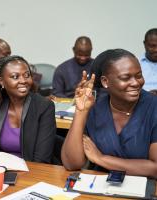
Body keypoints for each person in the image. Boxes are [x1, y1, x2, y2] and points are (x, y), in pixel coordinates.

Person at [61, 49, 157, 178]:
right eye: (125, 78)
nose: (135, 83)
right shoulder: (96, 108)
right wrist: (81, 112)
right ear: (105, 82)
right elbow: (71, 164)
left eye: (139, 76)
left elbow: (154, 169)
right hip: (99, 187)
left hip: (144, 189)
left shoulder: (153, 107)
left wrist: (101, 159)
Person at [139, 28, 157, 95]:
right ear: (145, 44)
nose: (156, 50)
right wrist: (145, 95)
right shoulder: (135, 64)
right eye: (152, 46)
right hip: (142, 100)